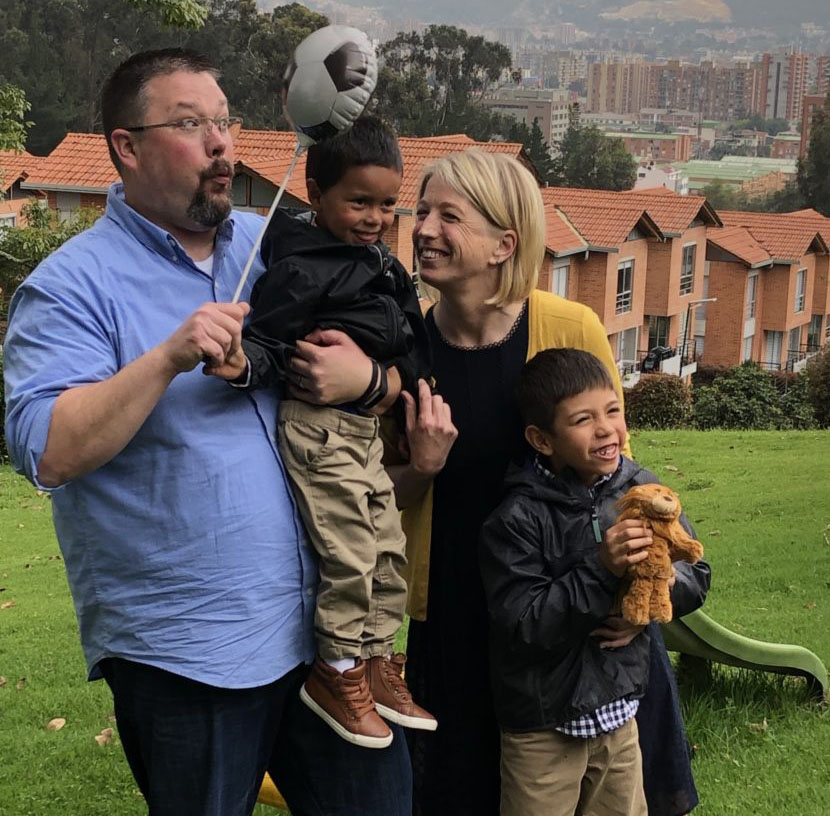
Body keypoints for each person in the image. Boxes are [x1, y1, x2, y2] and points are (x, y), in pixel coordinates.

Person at [3, 48, 411, 816]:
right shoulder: (68, 286)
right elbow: (50, 450)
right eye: (192, 124)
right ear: (127, 146)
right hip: (189, 658)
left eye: (225, 121)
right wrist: (167, 357)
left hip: (331, 643)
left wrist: (374, 384)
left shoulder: (282, 244)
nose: (223, 143)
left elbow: (383, 343)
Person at [388, 148, 710, 816]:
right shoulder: (406, 348)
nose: (423, 229)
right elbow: (378, 509)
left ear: (505, 242)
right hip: (459, 617)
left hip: (584, 624)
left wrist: (632, 600)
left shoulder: (569, 328)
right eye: (422, 211)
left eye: (449, 215)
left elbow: (615, 474)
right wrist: (420, 467)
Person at [239, 115, 436, 747]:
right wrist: (242, 365)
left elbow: (414, 346)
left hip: (363, 430)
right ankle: (337, 670)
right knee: (349, 552)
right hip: (318, 428)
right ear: (316, 193)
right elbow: (265, 345)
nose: (376, 217)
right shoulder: (301, 269)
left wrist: (384, 379)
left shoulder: (383, 266)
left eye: (386, 204)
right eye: (359, 202)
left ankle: (376, 662)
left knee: (386, 545)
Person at [480, 348, 703, 816]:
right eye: (583, 419)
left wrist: (640, 613)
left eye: (613, 410)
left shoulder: (641, 489)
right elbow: (522, 624)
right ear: (542, 440)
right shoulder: (517, 518)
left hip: (619, 717)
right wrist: (602, 568)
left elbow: (694, 572)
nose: (605, 429)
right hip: (543, 728)